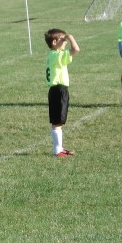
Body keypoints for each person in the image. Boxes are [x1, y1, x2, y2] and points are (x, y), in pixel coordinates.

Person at [44, 28, 80, 157]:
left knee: (58, 120)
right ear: (54, 42)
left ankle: (59, 148)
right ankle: (57, 150)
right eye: (62, 39)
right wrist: (70, 37)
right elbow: (76, 50)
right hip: (59, 90)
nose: (65, 42)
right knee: (57, 121)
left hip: (56, 90)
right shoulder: (56, 55)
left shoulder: (54, 55)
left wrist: (64, 38)